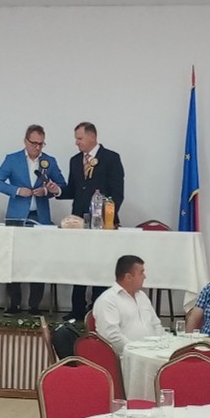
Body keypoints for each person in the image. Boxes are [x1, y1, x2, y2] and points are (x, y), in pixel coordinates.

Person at [0, 124, 66, 315]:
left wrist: (48, 190)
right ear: (25, 141)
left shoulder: (49, 161)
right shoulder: (12, 159)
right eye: (34, 143)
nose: (37, 148)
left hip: (40, 217)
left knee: (38, 260)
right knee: (14, 260)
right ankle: (14, 303)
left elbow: (62, 186)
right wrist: (17, 190)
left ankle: (35, 305)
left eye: (41, 144)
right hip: (17, 215)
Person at [60, 122, 126, 322]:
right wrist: (57, 190)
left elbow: (117, 193)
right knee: (79, 264)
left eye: (79, 138)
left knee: (101, 264)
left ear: (92, 137)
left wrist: (107, 218)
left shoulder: (111, 158)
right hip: (78, 222)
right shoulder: (75, 160)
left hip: (103, 223)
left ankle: (98, 308)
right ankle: (77, 308)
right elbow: (73, 190)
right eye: (76, 138)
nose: (76, 142)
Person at [91, 255, 163, 354]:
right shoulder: (108, 300)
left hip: (154, 352)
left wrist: (160, 345)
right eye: (141, 273)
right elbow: (111, 337)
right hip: (127, 357)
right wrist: (138, 351)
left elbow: (156, 325)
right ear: (128, 277)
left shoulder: (142, 296)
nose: (144, 277)